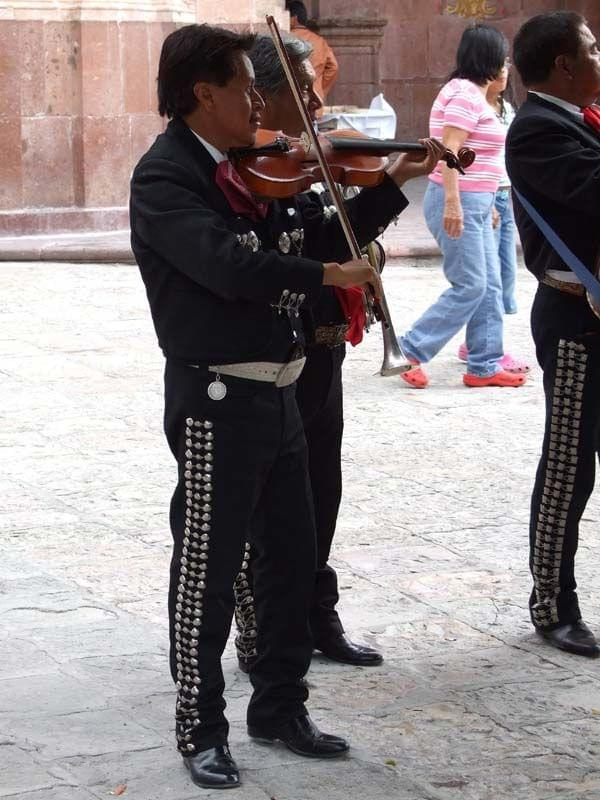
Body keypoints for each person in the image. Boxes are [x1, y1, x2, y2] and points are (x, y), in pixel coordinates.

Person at [129, 23, 439, 790]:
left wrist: (394, 186)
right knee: (208, 565)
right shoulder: (166, 178)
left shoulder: (250, 169)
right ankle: (200, 727)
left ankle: (280, 707)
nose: (262, 103)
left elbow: (318, 227)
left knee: (290, 557)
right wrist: (322, 271)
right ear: (205, 94)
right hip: (215, 397)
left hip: (279, 390)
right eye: (248, 88)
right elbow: (226, 265)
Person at [233, 34, 443, 672]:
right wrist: (335, 268)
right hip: (277, 358)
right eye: (305, 87)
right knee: (266, 505)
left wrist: (387, 194)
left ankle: (316, 613)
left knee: (323, 490)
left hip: (326, 352)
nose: (318, 101)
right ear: (259, 95)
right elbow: (284, 260)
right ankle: (260, 629)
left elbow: (333, 237)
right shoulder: (251, 174)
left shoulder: (306, 166)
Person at [506, 11, 600, 657]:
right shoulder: (538, 128)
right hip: (574, 320)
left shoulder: (577, 120)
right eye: (593, 48)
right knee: (570, 461)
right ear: (564, 64)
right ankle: (551, 599)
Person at [398, 24, 527, 390]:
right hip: (458, 201)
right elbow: (448, 154)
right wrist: (455, 205)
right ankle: (410, 349)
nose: (506, 66)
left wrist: (487, 205)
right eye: (502, 58)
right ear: (487, 59)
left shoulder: (468, 93)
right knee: (470, 285)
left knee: (488, 284)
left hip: (476, 202)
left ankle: (484, 363)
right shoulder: (466, 97)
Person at [457, 67, 531, 374]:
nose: (505, 71)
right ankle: (485, 349)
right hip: (486, 195)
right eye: (499, 64)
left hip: (504, 192)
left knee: (504, 275)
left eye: (507, 64)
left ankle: (480, 341)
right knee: (489, 278)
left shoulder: (507, 106)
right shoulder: (471, 107)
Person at [287, 0, 338, 103]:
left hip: (291, 101)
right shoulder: (320, 41)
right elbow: (334, 67)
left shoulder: (285, 38)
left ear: (294, 18)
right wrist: (319, 88)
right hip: (315, 101)